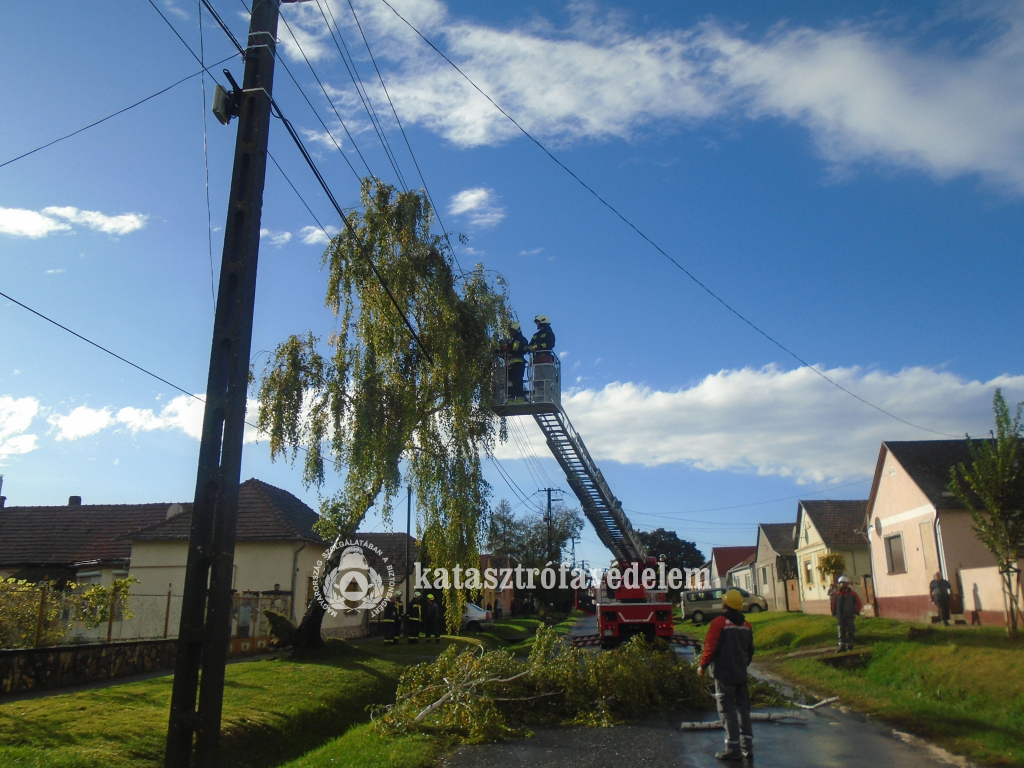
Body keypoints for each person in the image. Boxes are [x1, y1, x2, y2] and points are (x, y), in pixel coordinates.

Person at [698, 589, 754, 762]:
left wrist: (702, 666)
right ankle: (747, 747)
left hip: (724, 675)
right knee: (743, 710)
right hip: (741, 674)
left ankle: (732, 749)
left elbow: (710, 647)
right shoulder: (747, 626)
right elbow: (750, 651)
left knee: (727, 712)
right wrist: (742, 665)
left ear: (725, 605)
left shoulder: (718, 623)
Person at [830, 575, 862, 652]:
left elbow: (859, 603)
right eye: (841, 583)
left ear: (847, 584)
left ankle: (850, 646)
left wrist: (856, 612)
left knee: (851, 630)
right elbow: (833, 604)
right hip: (840, 616)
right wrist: (834, 613)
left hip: (850, 615)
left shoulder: (853, 594)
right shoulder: (837, 594)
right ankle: (842, 646)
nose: (842, 584)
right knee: (841, 631)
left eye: (844, 583)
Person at [500, 321, 529, 400]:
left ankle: (520, 397)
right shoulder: (510, 341)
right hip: (509, 364)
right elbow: (506, 352)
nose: (511, 333)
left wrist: (508, 346)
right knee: (509, 382)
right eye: (510, 331)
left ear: (517, 330)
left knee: (517, 381)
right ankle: (510, 398)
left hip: (518, 364)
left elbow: (517, 348)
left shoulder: (521, 339)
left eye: (512, 331)